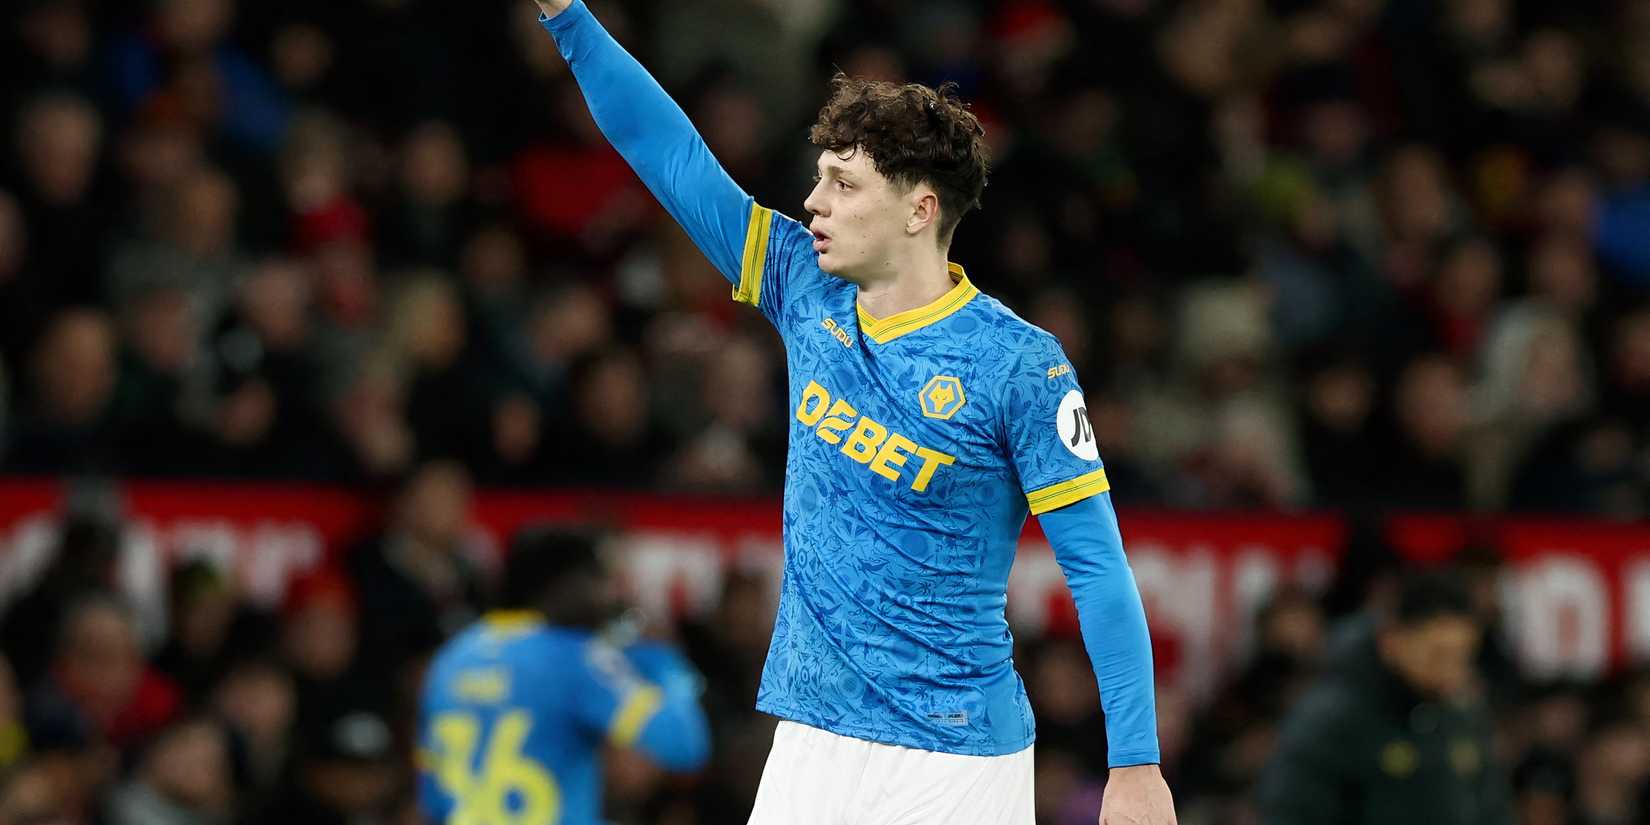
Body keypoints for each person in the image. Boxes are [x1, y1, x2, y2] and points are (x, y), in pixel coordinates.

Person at [528, 2, 1174, 823]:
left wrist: (1136, 763)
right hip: (812, 739)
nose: (811, 201)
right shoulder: (803, 285)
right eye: (819, 175)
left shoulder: (1019, 365)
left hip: (956, 757)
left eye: (842, 182)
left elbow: (1096, 567)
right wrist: (567, 18)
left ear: (918, 209)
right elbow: (671, 154)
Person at [416, 526, 710, 825]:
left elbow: (431, 797)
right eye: (599, 579)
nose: (609, 596)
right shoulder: (575, 655)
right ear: (565, 584)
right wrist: (667, 665)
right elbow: (685, 744)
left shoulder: (454, 656)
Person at [1256, 571, 1513, 825]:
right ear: (1391, 641)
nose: (1452, 671)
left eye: (1463, 656)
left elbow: (1492, 809)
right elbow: (1290, 812)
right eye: (1438, 654)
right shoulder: (1331, 721)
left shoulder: (1462, 714)